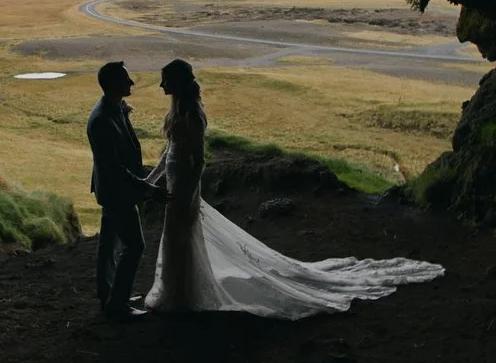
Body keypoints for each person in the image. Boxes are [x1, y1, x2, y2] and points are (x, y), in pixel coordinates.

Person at [142, 59, 445, 318]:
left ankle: (183, 296)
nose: (160, 86)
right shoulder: (176, 113)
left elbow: (198, 161)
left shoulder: (193, 115)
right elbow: (168, 154)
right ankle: (177, 293)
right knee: (175, 240)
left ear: (177, 83)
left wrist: (189, 194)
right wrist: (150, 181)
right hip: (174, 185)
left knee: (181, 239)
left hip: (184, 190)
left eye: (165, 81)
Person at [87, 61, 171, 321]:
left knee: (109, 244)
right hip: (117, 192)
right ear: (112, 85)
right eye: (125, 79)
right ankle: (117, 305)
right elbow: (115, 169)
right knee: (134, 245)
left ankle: (109, 294)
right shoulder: (102, 120)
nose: (131, 83)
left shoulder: (114, 108)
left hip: (114, 190)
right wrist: (147, 188)